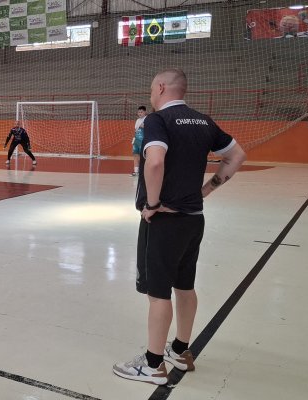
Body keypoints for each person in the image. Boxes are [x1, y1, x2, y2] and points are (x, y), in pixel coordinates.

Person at [112, 69, 247, 385]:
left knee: (158, 293)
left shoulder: (157, 121)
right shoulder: (204, 120)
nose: (150, 94)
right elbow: (237, 156)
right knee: (185, 286)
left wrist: (154, 204)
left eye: (151, 89)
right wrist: (208, 188)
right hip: (193, 219)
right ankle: (181, 351)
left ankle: (153, 364)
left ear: (160, 87)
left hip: (164, 221)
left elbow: (155, 161)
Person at [131, 106, 148, 176]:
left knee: (143, 156)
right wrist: (134, 140)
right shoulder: (137, 120)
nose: (140, 113)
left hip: (143, 140)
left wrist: (144, 126)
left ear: (145, 112)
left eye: (141, 112)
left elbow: (148, 128)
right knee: (135, 155)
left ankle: (144, 171)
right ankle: (136, 171)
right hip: (136, 140)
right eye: (139, 112)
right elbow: (136, 131)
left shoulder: (147, 119)